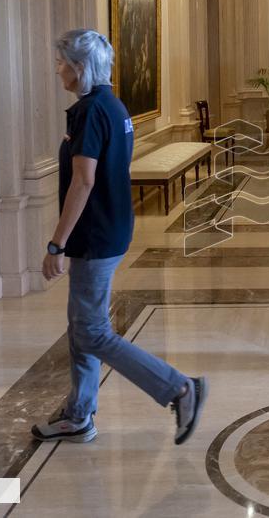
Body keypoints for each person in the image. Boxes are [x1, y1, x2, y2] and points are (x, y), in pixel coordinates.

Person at [32, 29, 206, 445]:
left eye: (61, 63)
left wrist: (57, 243)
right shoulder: (111, 105)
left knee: (92, 332)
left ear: (79, 67)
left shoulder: (91, 111)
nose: (57, 70)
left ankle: (179, 388)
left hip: (95, 233)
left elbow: (83, 181)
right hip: (108, 227)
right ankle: (79, 414)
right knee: (81, 326)